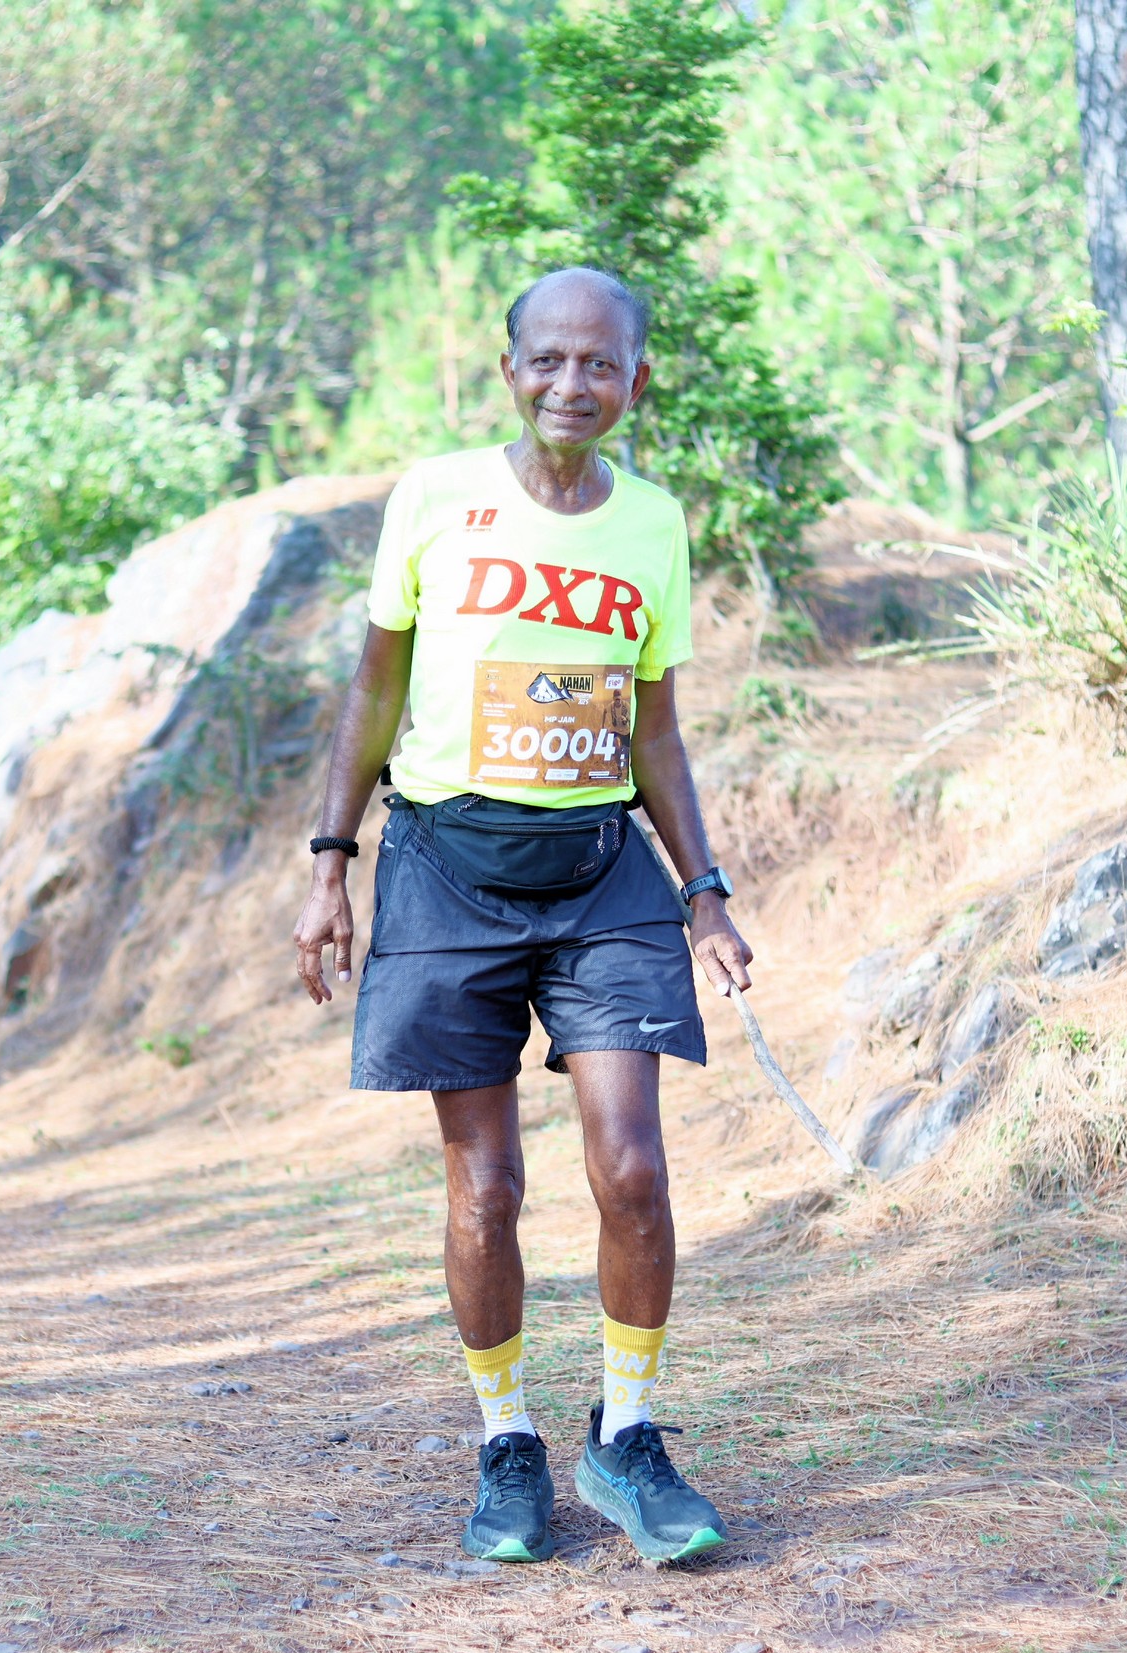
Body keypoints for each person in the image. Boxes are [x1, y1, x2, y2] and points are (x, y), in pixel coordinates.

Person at [291, 265, 754, 1567]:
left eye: (599, 363)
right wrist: (330, 864)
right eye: (547, 359)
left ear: (636, 380)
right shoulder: (437, 498)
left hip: (603, 873)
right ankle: (507, 1442)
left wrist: (705, 892)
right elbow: (374, 691)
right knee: (486, 1188)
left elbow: (654, 728)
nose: (571, 383)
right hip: (447, 866)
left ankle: (628, 1433)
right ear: (510, 370)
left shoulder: (652, 524)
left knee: (633, 1169)